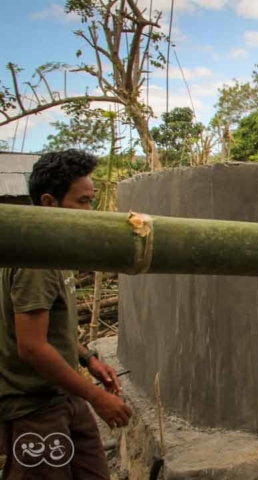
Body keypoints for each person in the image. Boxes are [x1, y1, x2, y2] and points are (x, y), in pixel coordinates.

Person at [0, 150, 132, 479]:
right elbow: (31, 347)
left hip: (62, 395)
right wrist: (96, 397)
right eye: (83, 202)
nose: (92, 211)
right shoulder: (36, 261)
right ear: (49, 202)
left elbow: (52, 332)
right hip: (33, 407)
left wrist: (87, 359)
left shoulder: (55, 250)